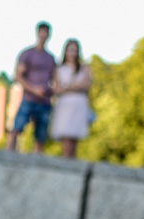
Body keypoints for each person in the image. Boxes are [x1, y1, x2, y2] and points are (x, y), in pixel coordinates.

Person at [7, 21, 56, 153]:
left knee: (41, 136)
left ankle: (37, 161)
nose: (44, 35)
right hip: (28, 99)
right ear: (38, 33)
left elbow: (55, 79)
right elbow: (18, 76)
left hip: (45, 101)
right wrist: (34, 89)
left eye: (46, 33)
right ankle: (7, 154)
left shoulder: (51, 58)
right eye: (42, 32)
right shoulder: (27, 54)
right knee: (16, 129)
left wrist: (50, 91)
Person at [51, 38, 93, 158]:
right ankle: (66, 160)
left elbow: (87, 84)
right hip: (65, 106)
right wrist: (77, 86)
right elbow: (57, 88)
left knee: (75, 137)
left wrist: (68, 86)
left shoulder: (85, 68)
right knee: (66, 136)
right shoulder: (59, 69)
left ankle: (72, 160)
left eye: (75, 50)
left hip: (79, 105)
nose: (72, 53)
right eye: (70, 50)